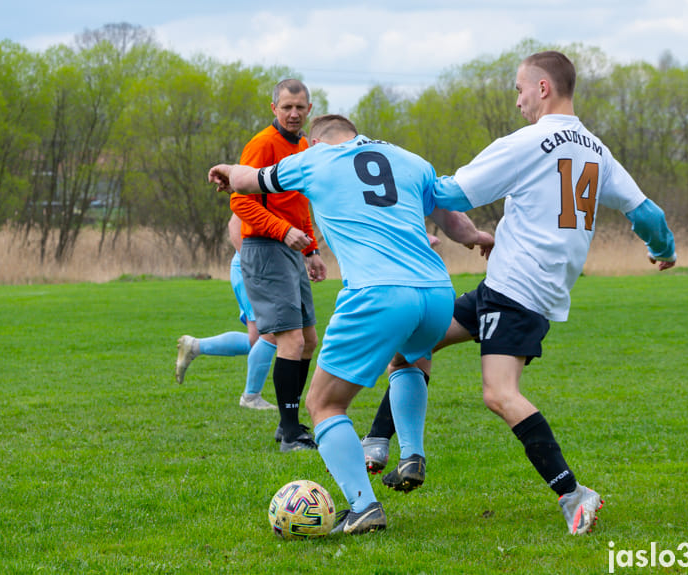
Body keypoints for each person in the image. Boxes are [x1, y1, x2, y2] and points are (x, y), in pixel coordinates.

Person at [391, 50, 673, 536]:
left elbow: (454, 193)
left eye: (520, 89)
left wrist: (399, 182)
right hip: (510, 286)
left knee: (500, 394)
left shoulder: (529, 141)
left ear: (543, 88)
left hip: (518, 290)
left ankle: (572, 493)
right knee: (411, 345)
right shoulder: (595, 148)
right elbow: (647, 213)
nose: (518, 100)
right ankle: (395, 451)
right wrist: (662, 248)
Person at [209, 114, 492, 535]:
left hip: (378, 292)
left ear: (318, 140)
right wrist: (480, 239)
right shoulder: (411, 160)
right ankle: (412, 454)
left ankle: (364, 507)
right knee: (408, 361)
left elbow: (251, 181)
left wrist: (227, 173)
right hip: (436, 290)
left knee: (323, 405)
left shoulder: (315, 160)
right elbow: (453, 221)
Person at [229, 79, 327, 452]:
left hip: (290, 249)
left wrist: (311, 249)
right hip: (264, 248)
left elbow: (299, 204)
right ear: (274, 108)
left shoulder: (303, 146)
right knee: (290, 339)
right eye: (286, 107)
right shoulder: (261, 144)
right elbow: (241, 202)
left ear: (309, 108)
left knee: (308, 341)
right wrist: (282, 232)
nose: (293, 113)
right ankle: (289, 432)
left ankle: (290, 423)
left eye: (300, 107)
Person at [174, 213, 278, 410]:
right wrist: (253, 266)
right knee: (267, 336)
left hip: (257, 269)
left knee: (260, 339)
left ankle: (194, 346)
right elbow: (234, 224)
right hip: (250, 271)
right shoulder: (256, 187)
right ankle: (251, 397)